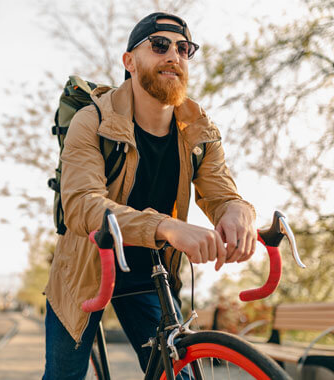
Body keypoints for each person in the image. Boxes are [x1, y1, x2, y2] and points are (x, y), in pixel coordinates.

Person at [43, 12, 256, 379]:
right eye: (159, 45)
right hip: (86, 270)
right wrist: (167, 226)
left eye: (184, 48)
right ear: (129, 61)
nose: (173, 55)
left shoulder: (199, 130)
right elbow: (81, 204)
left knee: (178, 374)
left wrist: (238, 211)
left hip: (152, 272)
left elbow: (222, 193)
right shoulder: (91, 120)